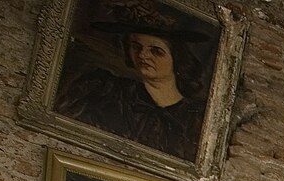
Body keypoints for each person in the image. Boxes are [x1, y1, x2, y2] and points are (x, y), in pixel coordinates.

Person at [55, 0, 211, 162]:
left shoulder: (196, 118)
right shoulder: (108, 91)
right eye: (136, 47)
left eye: (156, 51)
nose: (143, 55)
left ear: (177, 60)